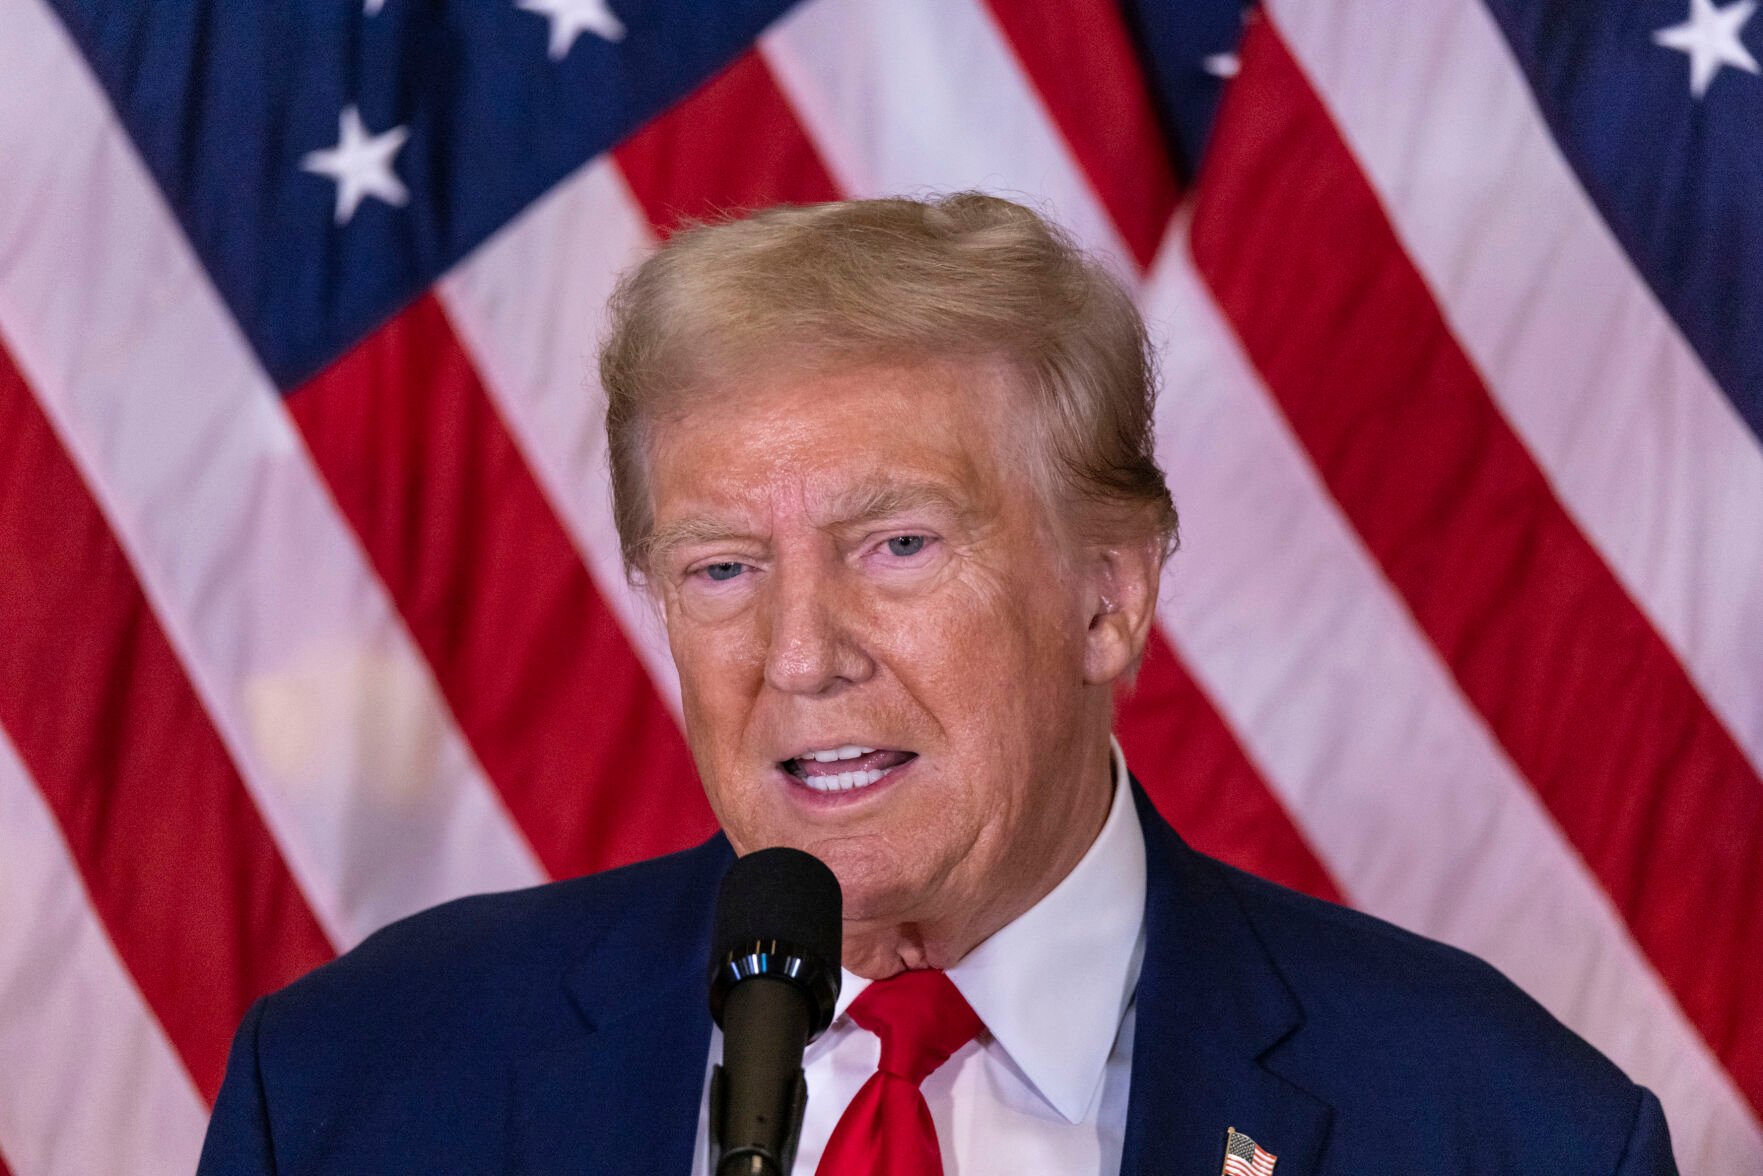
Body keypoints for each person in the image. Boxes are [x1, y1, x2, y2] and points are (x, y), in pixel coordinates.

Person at [197, 193, 1677, 1175]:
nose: (800, 653)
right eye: (721, 568)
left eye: (896, 545)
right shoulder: (351, 1093)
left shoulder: (1502, 1129)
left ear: (1111, 595)